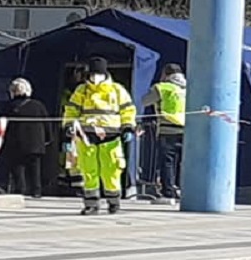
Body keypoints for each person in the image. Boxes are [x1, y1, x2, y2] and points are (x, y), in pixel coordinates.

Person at [62, 57, 136, 215]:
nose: (95, 77)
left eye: (98, 74)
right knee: (88, 170)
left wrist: (128, 127)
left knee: (111, 170)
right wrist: (68, 128)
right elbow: (71, 111)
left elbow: (128, 110)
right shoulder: (82, 90)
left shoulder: (117, 90)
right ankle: (91, 204)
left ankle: (114, 202)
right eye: (92, 74)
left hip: (111, 135)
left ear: (105, 73)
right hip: (86, 136)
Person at [141, 63, 186, 200]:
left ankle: (168, 192)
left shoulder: (162, 87)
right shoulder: (188, 88)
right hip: (187, 130)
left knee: (167, 162)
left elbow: (144, 101)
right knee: (183, 162)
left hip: (168, 129)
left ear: (165, 74)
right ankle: (183, 190)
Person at [1, 78, 52, 198]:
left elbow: (3, 124)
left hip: (16, 143)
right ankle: (36, 190)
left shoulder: (9, 106)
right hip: (36, 143)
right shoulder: (38, 105)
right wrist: (48, 138)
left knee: (17, 166)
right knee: (35, 167)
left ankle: (20, 189)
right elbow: (47, 123)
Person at [58, 66, 85, 194]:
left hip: (81, 131)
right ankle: (64, 184)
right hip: (66, 130)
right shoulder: (65, 94)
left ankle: (77, 186)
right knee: (66, 156)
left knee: (76, 158)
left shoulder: (84, 93)